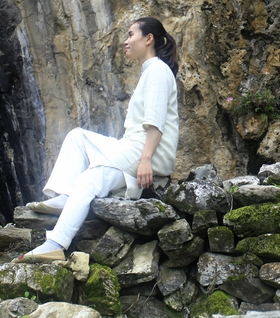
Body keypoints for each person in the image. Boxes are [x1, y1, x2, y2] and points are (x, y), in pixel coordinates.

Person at [15, 17, 179, 263]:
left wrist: (146, 160)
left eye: (131, 34)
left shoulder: (157, 70)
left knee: (90, 179)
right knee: (77, 137)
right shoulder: (150, 70)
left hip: (145, 150)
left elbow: (155, 121)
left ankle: (55, 244)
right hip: (131, 145)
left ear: (148, 39)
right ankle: (66, 196)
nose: (125, 41)